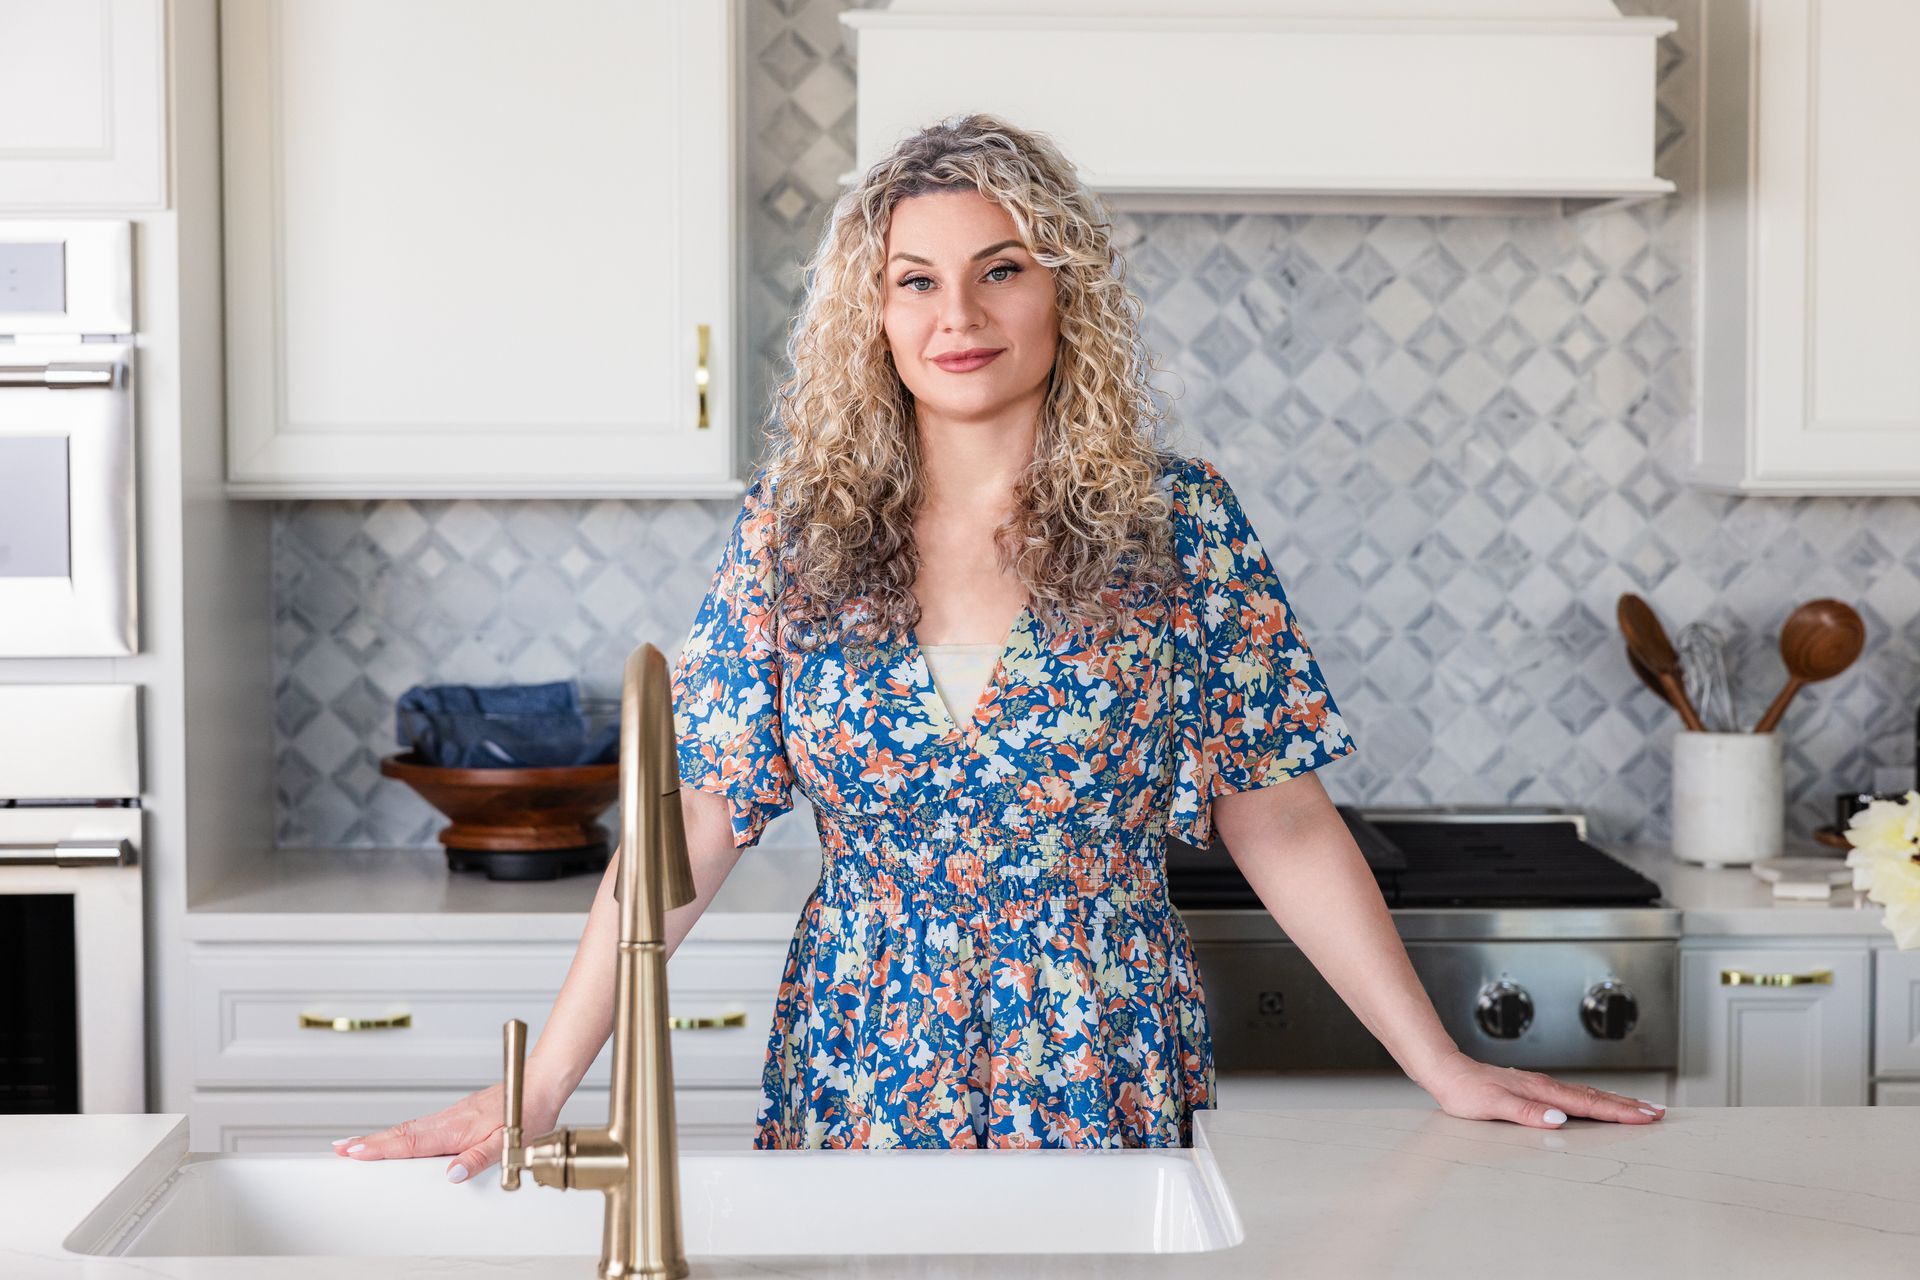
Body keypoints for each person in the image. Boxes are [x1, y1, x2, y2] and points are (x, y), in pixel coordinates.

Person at [336, 113, 1666, 1181]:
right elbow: (693, 827)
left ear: (1064, 294)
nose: (956, 314)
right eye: (915, 280)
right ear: (874, 313)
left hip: (1106, 1058)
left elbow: (1280, 820)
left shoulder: (1180, 523)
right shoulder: (795, 537)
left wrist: (1437, 1061)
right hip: (861, 1065)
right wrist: (544, 1084)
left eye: (1000, 270)